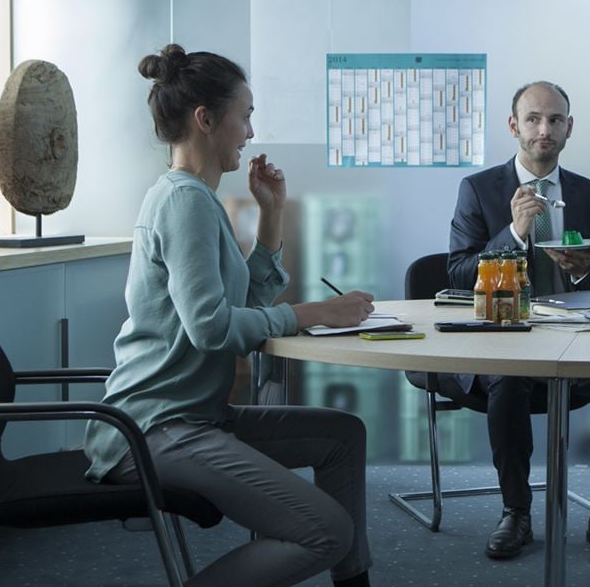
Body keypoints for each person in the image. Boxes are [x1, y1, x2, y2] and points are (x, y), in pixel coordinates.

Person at [83, 44, 376, 587]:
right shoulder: (184, 201)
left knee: (342, 436)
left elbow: (244, 308)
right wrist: (315, 313)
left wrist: (271, 215)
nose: (248, 132)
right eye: (245, 116)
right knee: (325, 531)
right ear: (205, 119)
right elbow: (213, 328)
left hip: (196, 417)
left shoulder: (195, 199)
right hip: (154, 428)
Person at [447, 81, 590, 560]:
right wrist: (513, 233)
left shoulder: (588, 193)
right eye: (533, 119)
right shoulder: (480, 189)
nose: (544, 129)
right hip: (506, 342)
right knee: (508, 378)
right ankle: (516, 511)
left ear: (569, 128)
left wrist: (584, 268)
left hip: (577, 341)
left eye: (555, 120)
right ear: (514, 126)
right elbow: (459, 273)